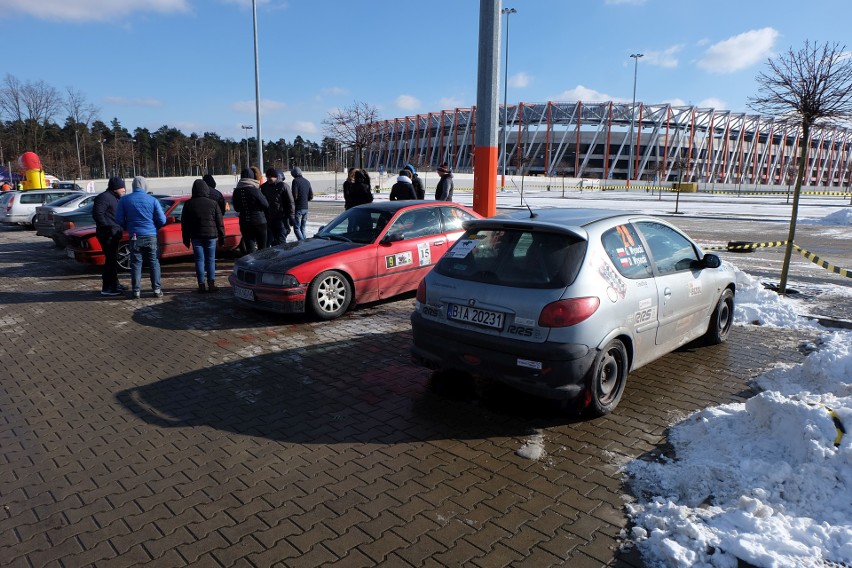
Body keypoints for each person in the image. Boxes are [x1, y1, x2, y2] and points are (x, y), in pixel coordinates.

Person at [115, 176, 166, 299]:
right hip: (151, 235)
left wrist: (129, 227)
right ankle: (157, 290)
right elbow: (162, 220)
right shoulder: (152, 200)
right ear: (145, 185)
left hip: (134, 236)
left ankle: (136, 291)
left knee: (136, 263)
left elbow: (118, 219)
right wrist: (154, 227)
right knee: (154, 262)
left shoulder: (125, 200)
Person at [182, 179, 225, 293]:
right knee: (210, 260)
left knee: (199, 260)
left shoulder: (188, 204)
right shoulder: (213, 203)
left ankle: (201, 285)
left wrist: (185, 238)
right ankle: (211, 284)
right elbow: (219, 222)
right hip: (211, 235)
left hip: (196, 235)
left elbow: (185, 223)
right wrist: (222, 237)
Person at [92, 177, 127, 296]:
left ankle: (115, 284)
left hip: (114, 233)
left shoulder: (114, 198)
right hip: (108, 235)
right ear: (116, 187)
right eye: (122, 187)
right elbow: (97, 214)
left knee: (113, 260)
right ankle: (107, 288)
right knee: (110, 261)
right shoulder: (104, 197)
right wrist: (107, 228)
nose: (124, 190)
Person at [232, 167, 268, 252]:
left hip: (244, 222)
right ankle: (262, 265)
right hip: (259, 221)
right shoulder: (254, 189)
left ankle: (252, 264)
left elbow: (237, 208)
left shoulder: (236, 191)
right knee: (263, 249)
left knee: (250, 249)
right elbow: (265, 204)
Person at [261, 167, 295, 246]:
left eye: (271, 177)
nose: (269, 179)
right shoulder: (264, 187)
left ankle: (282, 257)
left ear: (276, 177)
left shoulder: (283, 186)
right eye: (267, 177)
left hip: (282, 218)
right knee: (269, 241)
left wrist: (291, 217)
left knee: (280, 241)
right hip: (269, 219)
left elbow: (291, 202)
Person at [290, 166, 313, 240]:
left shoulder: (295, 181)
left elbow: (294, 196)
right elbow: (311, 196)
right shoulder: (307, 181)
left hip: (298, 207)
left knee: (296, 228)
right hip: (305, 207)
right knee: (303, 227)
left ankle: (302, 242)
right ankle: (305, 242)